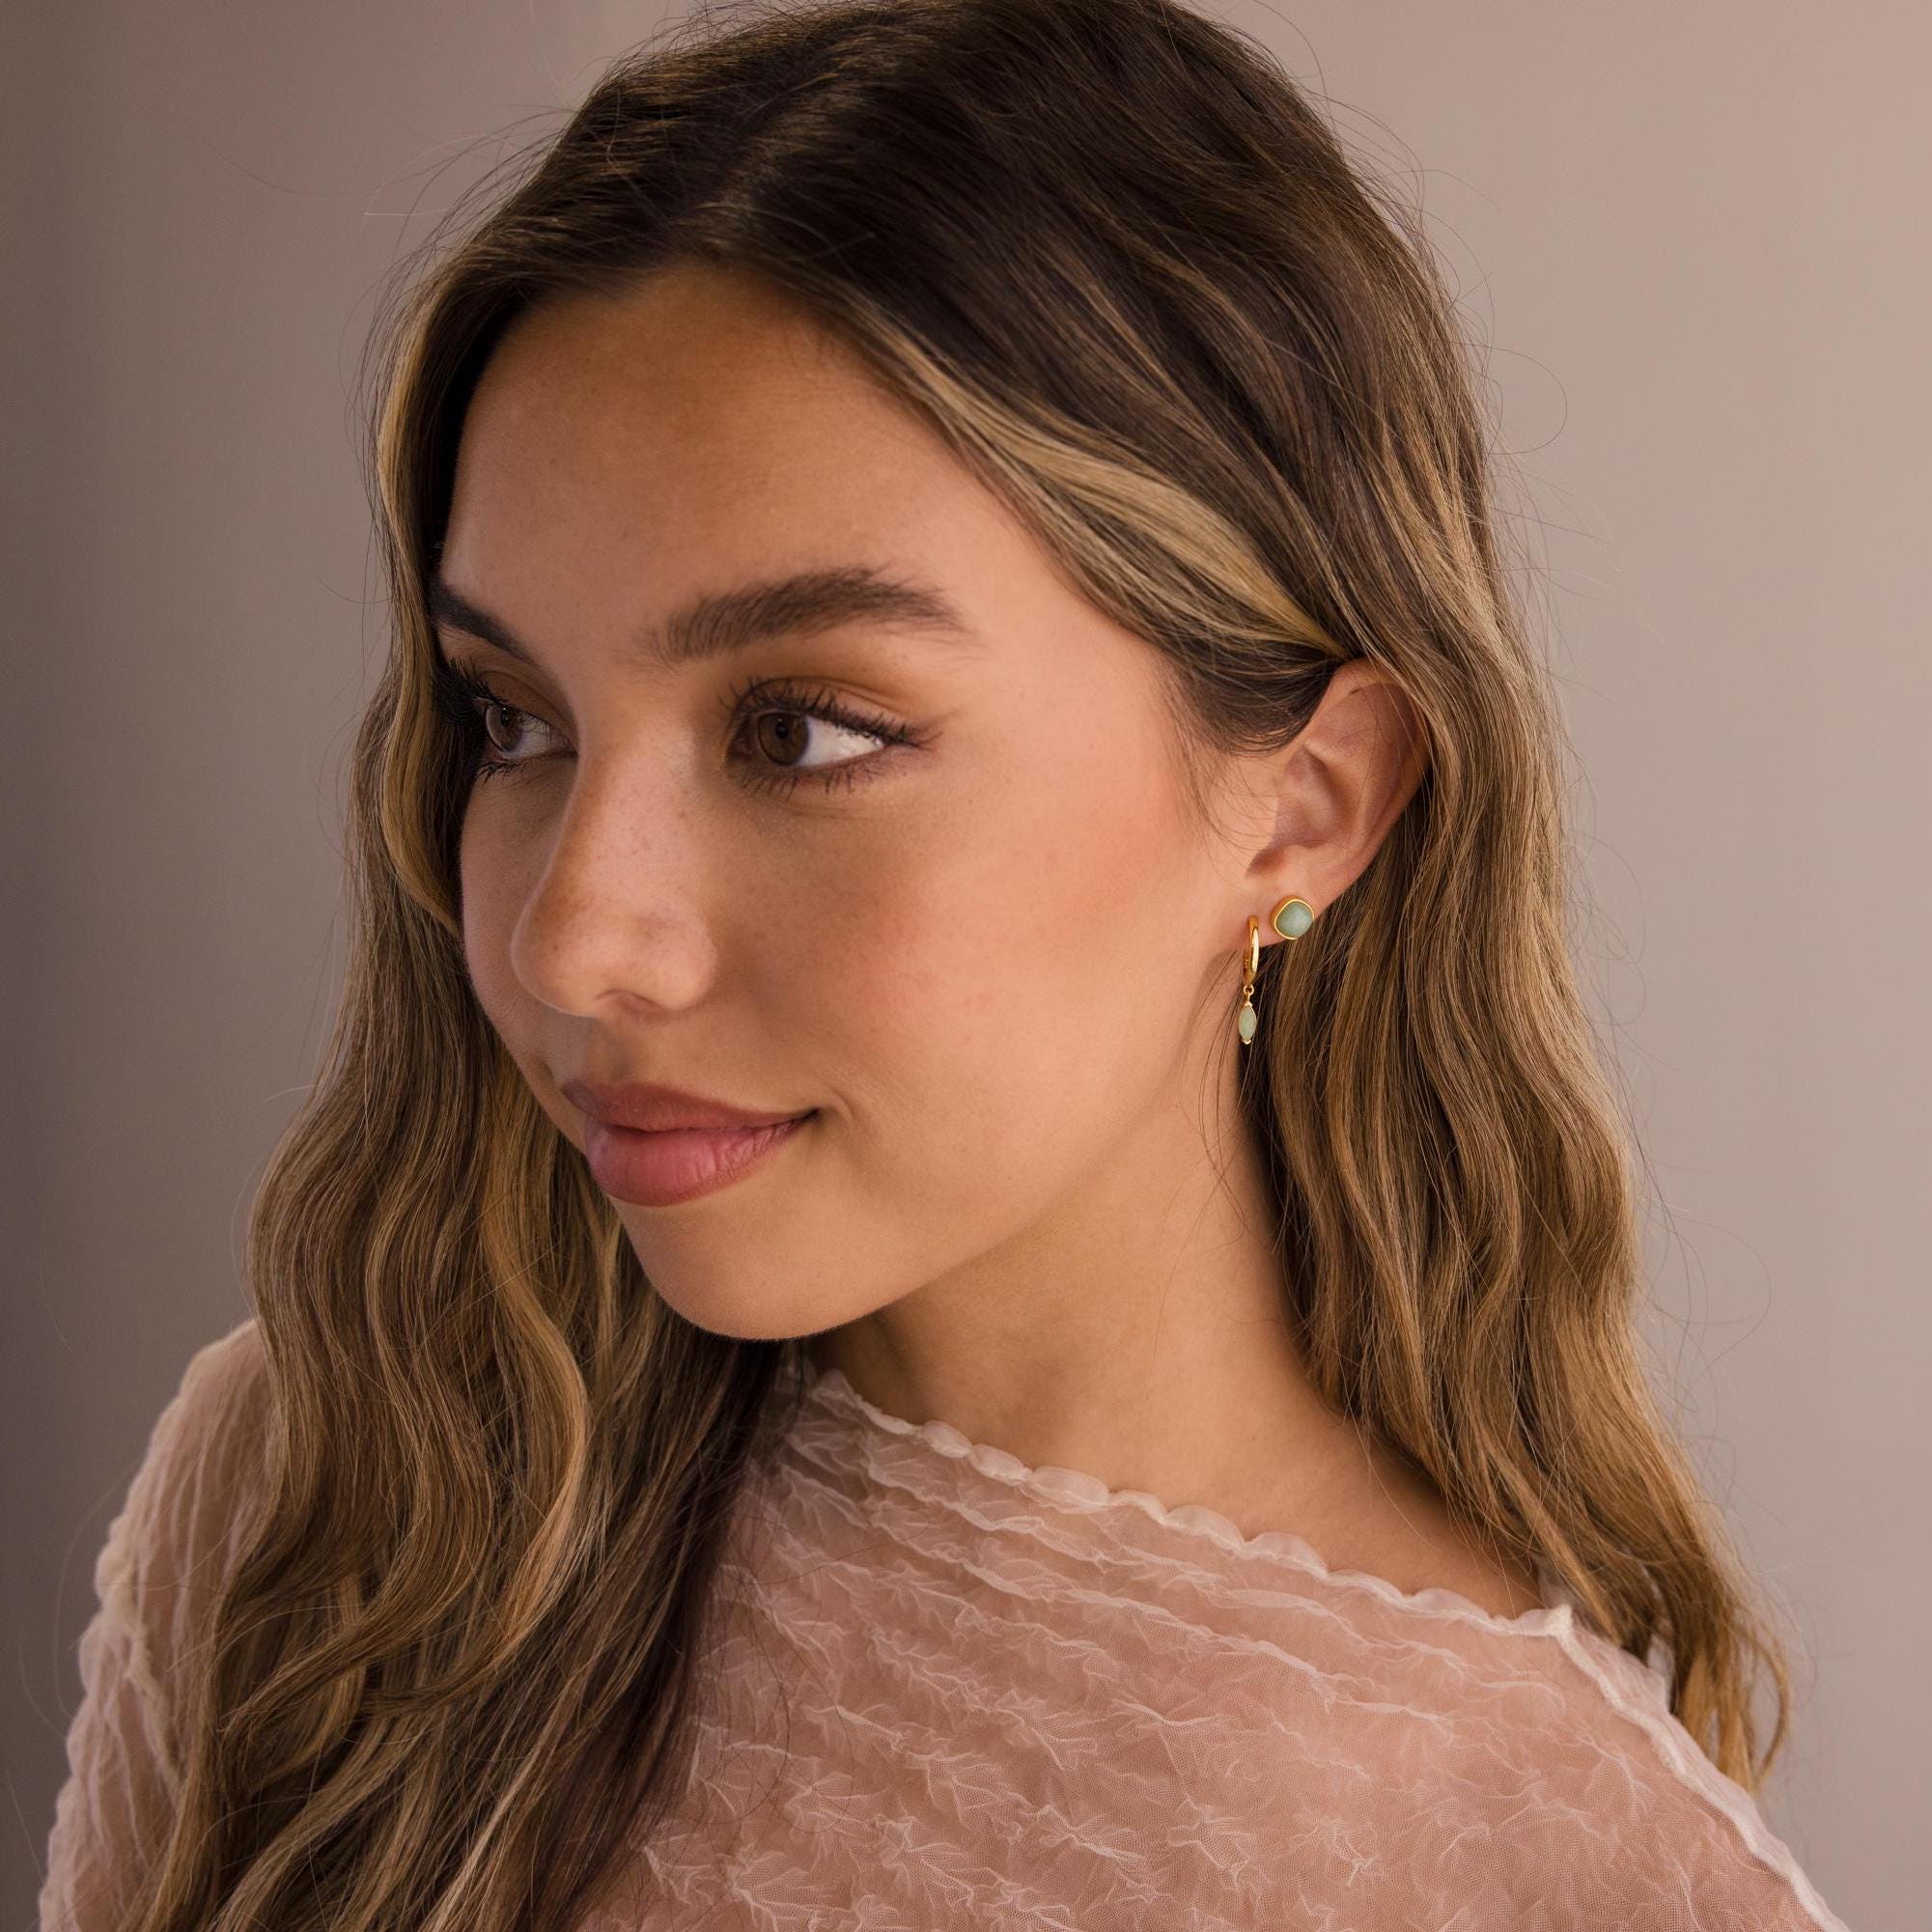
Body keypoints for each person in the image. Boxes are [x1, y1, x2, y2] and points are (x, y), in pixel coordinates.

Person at [39, 1, 1850, 1926]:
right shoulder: (342, 1510)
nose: (573, 934)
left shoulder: (1529, 1874)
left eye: (802, 729)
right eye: (514, 720)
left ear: (1303, 805)